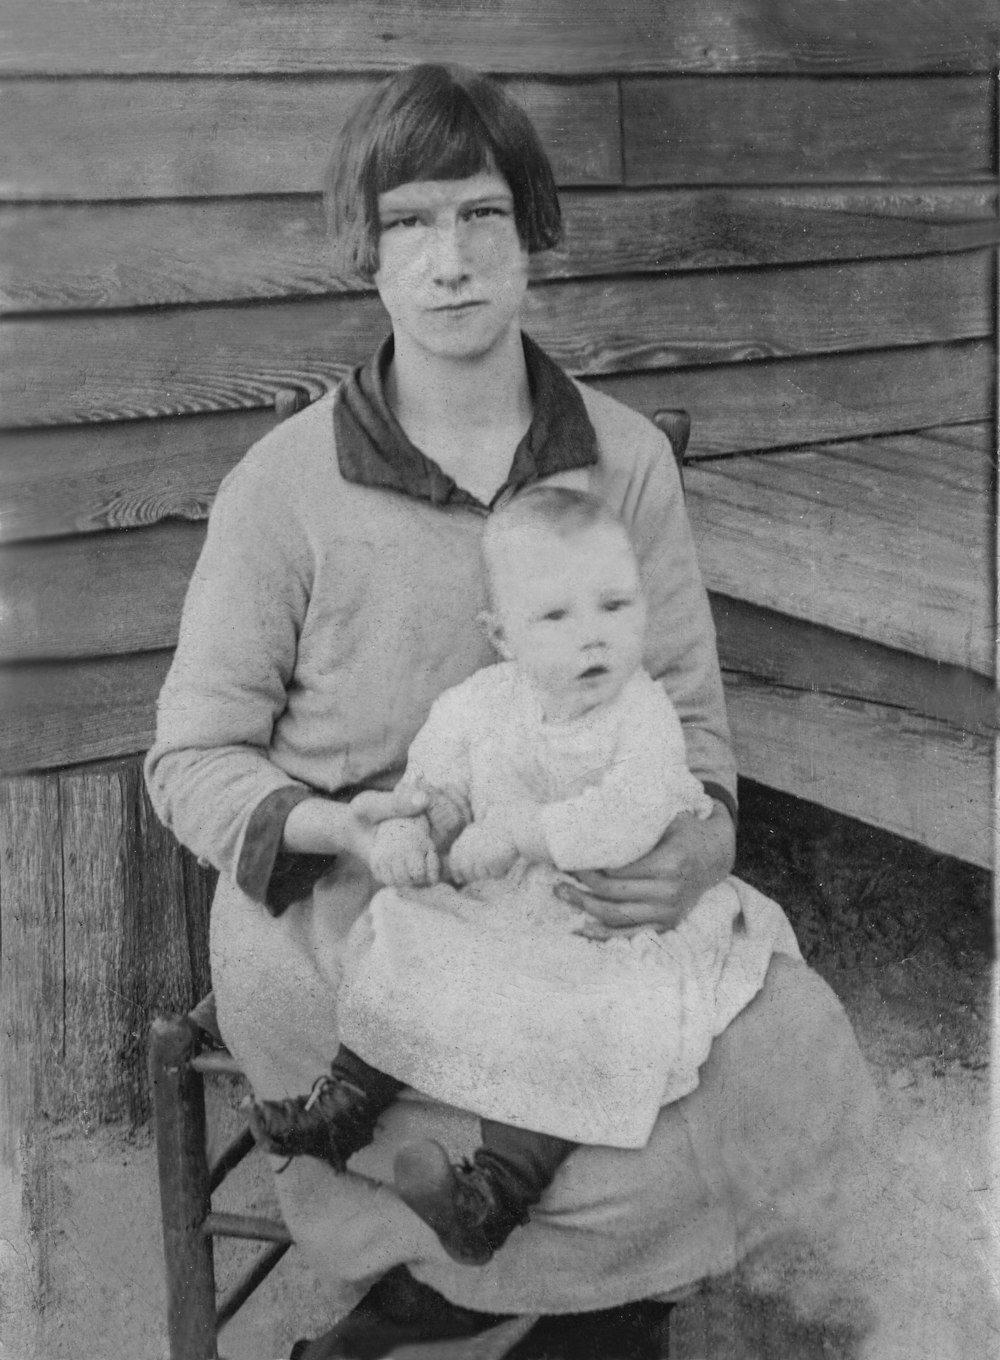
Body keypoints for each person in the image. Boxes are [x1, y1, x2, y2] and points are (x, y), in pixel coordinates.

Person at [145, 60, 971, 1360]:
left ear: (531, 233)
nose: (450, 259)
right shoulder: (285, 486)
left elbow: (693, 743)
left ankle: (492, 1320)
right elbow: (189, 760)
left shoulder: (625, 461)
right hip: (349, 913)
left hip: (577, 899)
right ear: (369, 249)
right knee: (555, 1122)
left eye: (480, 215)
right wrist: (347, 833)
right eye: (411, 222)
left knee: (792, 1049)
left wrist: (696, 845)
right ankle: (487, 1317)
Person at [245, 485, 801, 1269]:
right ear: (500, 637)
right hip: (506, 907)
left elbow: (633, 811)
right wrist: (420, 828)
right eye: (557, 618)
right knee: (409, 934)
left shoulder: (642, 714)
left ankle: (492, 1195)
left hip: (601, 918)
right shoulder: (479, 704)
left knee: (576, 1023)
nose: (594, 640)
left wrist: (525, 834)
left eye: (616, 607)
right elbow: (439, 784)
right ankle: (343, 1105)